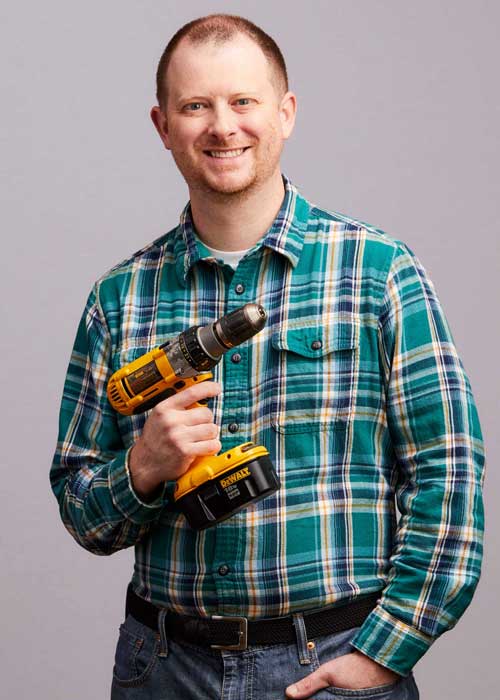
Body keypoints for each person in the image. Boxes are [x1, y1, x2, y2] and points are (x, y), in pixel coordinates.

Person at [50, 13, 485, 700]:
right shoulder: (119, 298)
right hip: (163, 667)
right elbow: (81, 509)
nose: (223, 127)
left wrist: (388, 649)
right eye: (196, 106)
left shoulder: (377, 271)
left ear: (285, 113)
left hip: (331, 664)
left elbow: (448, 471)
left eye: (243, 102)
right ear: (164, 127)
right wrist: (142, 469)